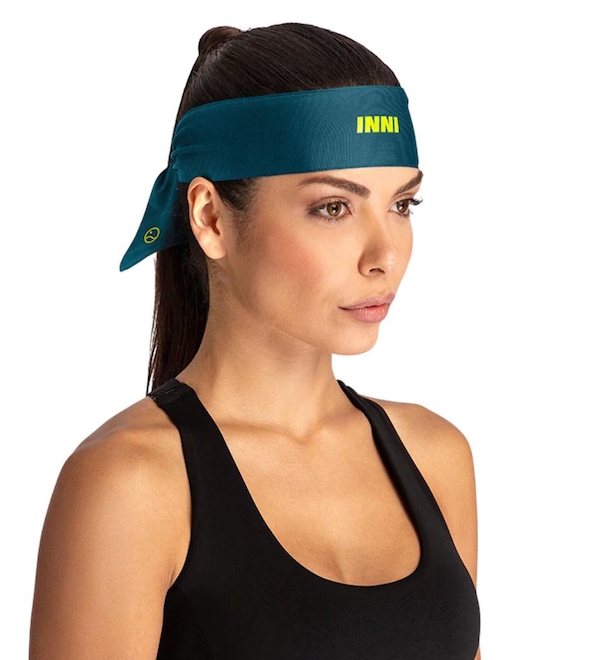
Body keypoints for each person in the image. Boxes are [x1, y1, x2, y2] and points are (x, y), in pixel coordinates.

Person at [29, 22, 481, 659]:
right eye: (333, 207)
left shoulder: (435, 456)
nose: (384, 255)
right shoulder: (131, 483)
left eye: (402, 205)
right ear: (211, 218)